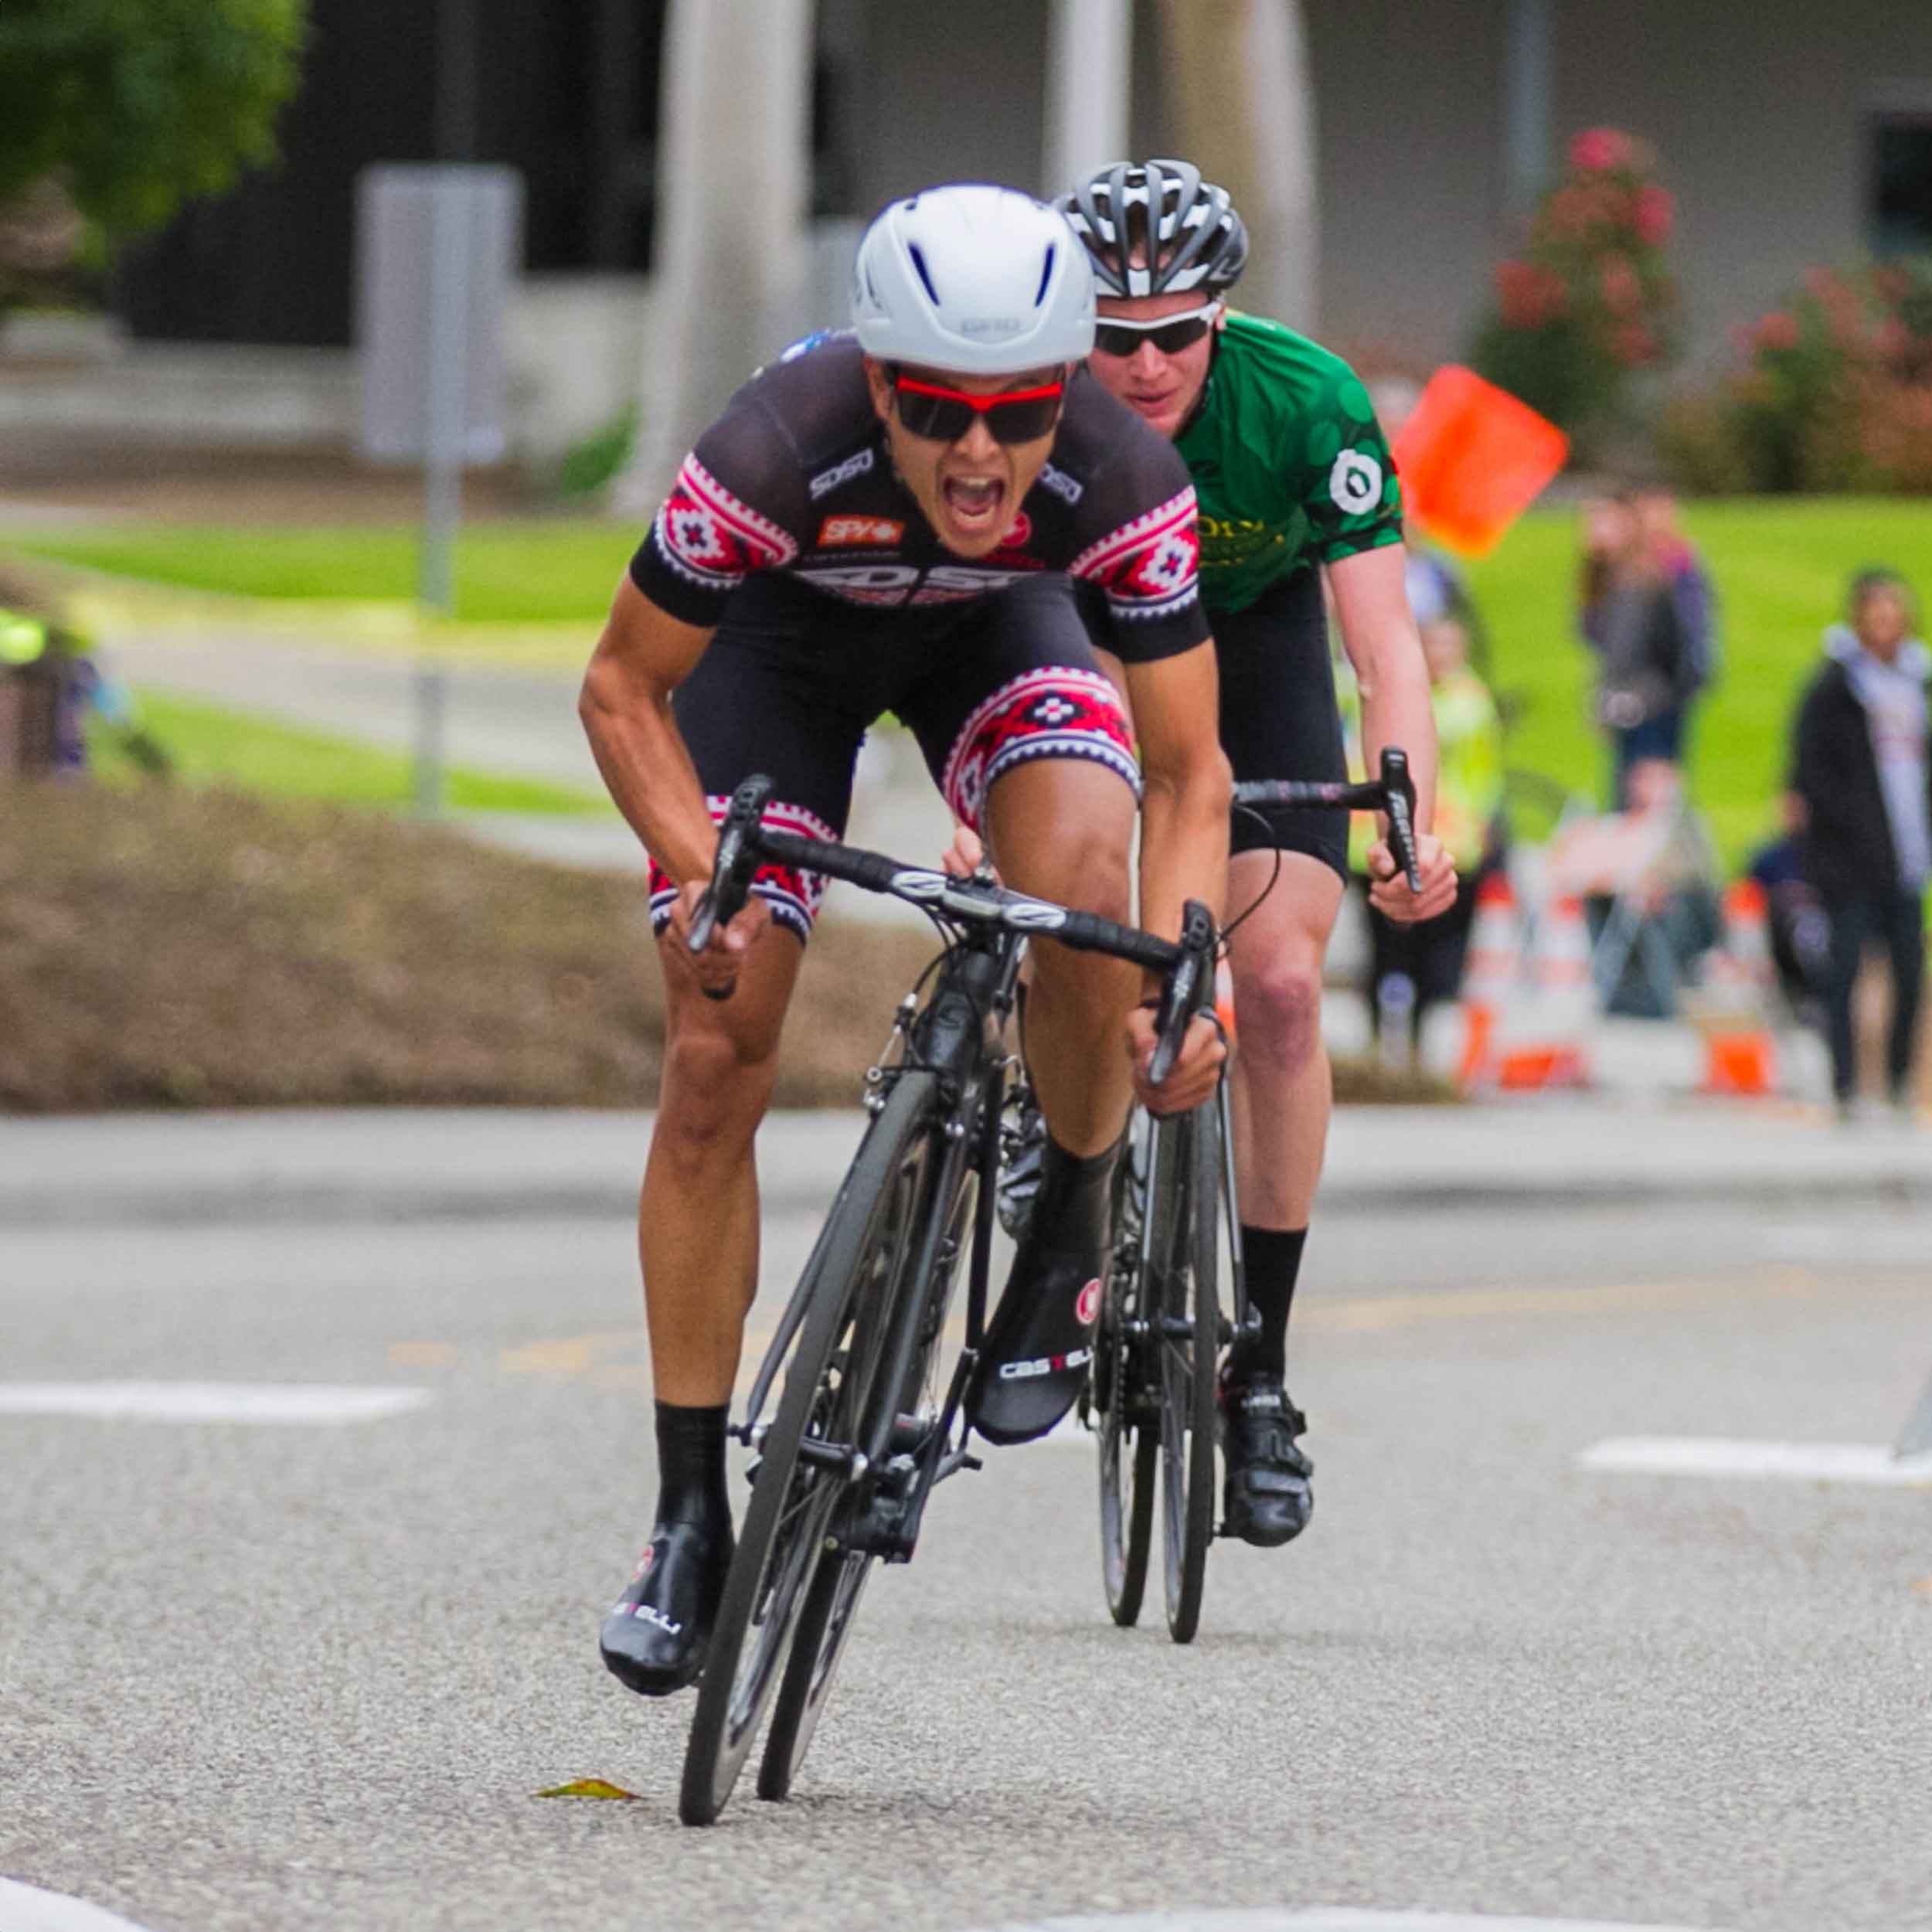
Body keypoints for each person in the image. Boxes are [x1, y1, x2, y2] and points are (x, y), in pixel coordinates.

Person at [580, 184, 1230, 1696]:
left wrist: (1180, 966)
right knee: (709, 1048)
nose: (982, 451)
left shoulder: (1121, 478)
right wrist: (701, 872)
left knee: (1084, 879)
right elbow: (622, 690)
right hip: (776, 659)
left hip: (996, 638)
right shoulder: (773, 447)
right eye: (937, 411)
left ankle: (1067, 1211)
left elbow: (1188, 772)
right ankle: (686, 1515)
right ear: (879, 381)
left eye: (1019, 412)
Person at [1056, 159, 1454, 1549]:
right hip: (1094, 636)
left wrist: (1417, 811)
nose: (1148, 362)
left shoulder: (1307, 400)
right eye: (1117, 333)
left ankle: (1262, 1368)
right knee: (1089, 924)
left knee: (1276, 991)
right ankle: (1071, 1203)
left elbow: (1386, 647)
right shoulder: (1031, 403)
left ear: (1221, 320)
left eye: (1179, 331)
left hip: (1258, 642)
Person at [1789, 569, 1930, 1120]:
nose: (1887, 625)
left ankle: (1897, 1081)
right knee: (1843, 971)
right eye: (1877, 613)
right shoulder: (1834, 689)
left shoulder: (1918, 682)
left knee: (1909, 973)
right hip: (1849, 858)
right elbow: (1812, 775)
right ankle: (1846, 1085)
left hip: (1907, 852)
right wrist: (1846, 831)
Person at [1359, 605, 1503, 1054]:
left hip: (1452, 836)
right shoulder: (1395, 695)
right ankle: (1383, 1034)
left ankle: (1424, 1036)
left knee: (1437, 948)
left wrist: (1480, 824)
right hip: (1382, 838)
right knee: (1383, 947)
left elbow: (1485, 773)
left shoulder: (1471, 702)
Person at [1577, 488, 1709, 808]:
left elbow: (1631, 652)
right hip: (1639, 704)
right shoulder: (1618, 577)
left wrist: (1611, 702)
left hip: (1650, 706)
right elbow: (1592, 634)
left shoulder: (1643, 580)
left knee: (1644, 804)